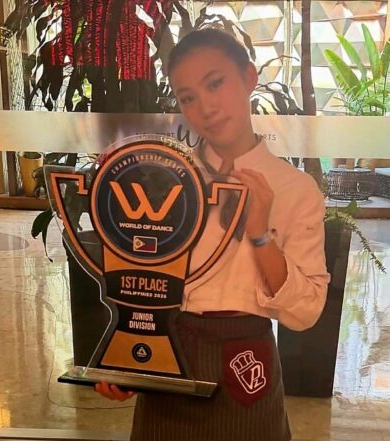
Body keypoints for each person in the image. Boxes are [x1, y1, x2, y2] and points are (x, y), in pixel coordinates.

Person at [95, 28, 331, 441]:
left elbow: (306, 311)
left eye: (215, 83)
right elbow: (140, 279)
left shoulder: (295, 190)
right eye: (188, 97)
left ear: (249, 77)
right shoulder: (163, 180)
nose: (205, 107)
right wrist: (129, 360)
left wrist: (260, 234)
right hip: (170, 352)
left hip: (245, 364)